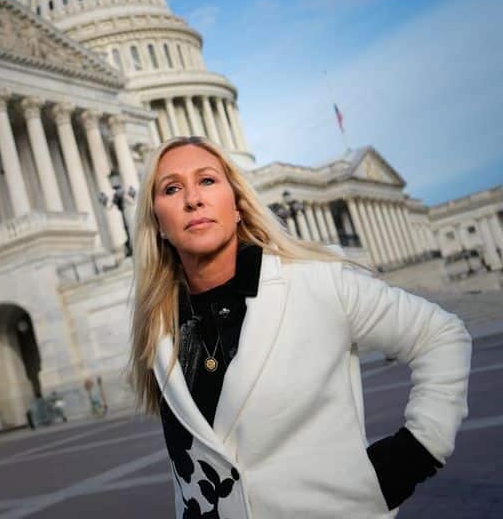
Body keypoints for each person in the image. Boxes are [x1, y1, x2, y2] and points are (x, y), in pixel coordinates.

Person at [128, 137, 471, 518]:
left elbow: (441, 335)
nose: (193, 199)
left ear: (238, 204)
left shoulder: (316, 282)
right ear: (157, 223)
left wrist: (416, 453)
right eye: (172, 189)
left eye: (207, 180)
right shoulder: (159, 326)